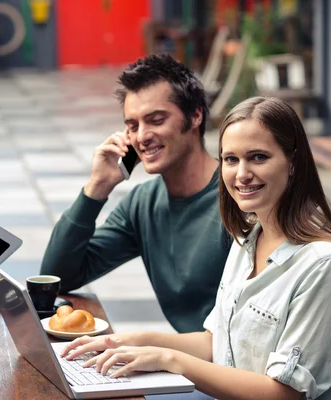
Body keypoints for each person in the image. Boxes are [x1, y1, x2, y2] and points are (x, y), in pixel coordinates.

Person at [60, 97, 331, 400]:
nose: (241, 173)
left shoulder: (320, 264)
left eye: (258, 157)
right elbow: (215, 343)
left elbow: (285, 394)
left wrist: (169, 360)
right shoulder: (248, 236)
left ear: (293, 163)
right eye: (230, 159)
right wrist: (127, 342)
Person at [40, 54, 231, 333]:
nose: (141, 136)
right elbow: (58, 278)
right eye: (132, 126)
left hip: (232, 369)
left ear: (195, 116)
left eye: (155, 120)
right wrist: (97, 187)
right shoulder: (142, 204)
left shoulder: (238, 199)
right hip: (188, 362)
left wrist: (143, 348)